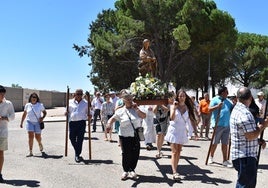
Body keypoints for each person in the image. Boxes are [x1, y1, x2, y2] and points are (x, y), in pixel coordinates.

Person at [230, 87, 268, 188]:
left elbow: (243, 134)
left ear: (237, 97)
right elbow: (251, 135)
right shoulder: (245, 113)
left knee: (244, 183)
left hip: (241, 154)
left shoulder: (237, 109)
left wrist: (258, 140)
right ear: (251, 98)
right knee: (246, 185)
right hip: (245, 156)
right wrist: (263, 125)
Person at [106, 93, 146, 181]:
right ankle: (125, 171)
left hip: (135, 135)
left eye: (130, 98)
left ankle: (132, 170)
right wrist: (109, 124)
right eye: (127, 98)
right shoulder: (120, 111)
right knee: (126, 154)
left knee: (135, 153)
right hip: (124, 136)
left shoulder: (137, 108)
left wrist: (137, 109)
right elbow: (112, 118)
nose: (129, 100)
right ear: (123, 100)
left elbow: (144, 116)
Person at [164, 89, 197, 181]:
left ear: (185, 97)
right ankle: (174, 172)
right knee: (174, 151)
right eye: (180, 96)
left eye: (183, 96)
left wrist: (196, 132)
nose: (182, 98)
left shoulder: (188, 107)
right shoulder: (172, 106)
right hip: (174, 130)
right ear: (177, 97)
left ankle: (176, 168)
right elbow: (172, 118)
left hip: (182, 131)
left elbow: (192, 119)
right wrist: (174, 108)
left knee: (179, 151)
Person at [208, 86, 233, 167]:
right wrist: (217, 106)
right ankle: (211, 157)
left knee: (225, 143)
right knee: (214, 142)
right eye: (226, 92)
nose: (228, 93)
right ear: (222, 93)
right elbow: (209, 109)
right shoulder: (215, 99)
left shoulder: (229, 102)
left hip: (227, 125)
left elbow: (232, 110)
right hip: (217, 125)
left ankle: (225, 160)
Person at [65, 89, 89, 163]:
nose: (79, 96)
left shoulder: (86, 103)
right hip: (72, 123)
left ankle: (77, 155)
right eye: (77, 94)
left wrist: (90, 115)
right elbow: (67, 110)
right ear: (74, 94)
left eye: (80, 94)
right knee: (71, 138)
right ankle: (77, 151)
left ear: (82, 95)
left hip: (81, 123)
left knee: (80, 140)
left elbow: (89, 111)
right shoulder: (69, 102)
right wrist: (65, 112)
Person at [20, 92, 47, 157]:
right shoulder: (27, 105)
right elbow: (24, 114)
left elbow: (45, 112)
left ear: (37, 98)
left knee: (37, 137)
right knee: (30, 136)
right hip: (30, 122)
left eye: (35, 97)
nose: (34, 98)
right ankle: (30, 151)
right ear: (30, 98)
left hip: (37, 123)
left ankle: (40, 143)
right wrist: (21, 122)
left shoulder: (40, 105)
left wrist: (42, 118)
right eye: (33, 97)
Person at [0, 85, 15, 183]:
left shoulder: (8, 103)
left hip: (2, 132)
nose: (2, 96)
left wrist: (5, 118)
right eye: (0, 94)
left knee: (0, 153)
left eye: (3, 94)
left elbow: (13, 116)